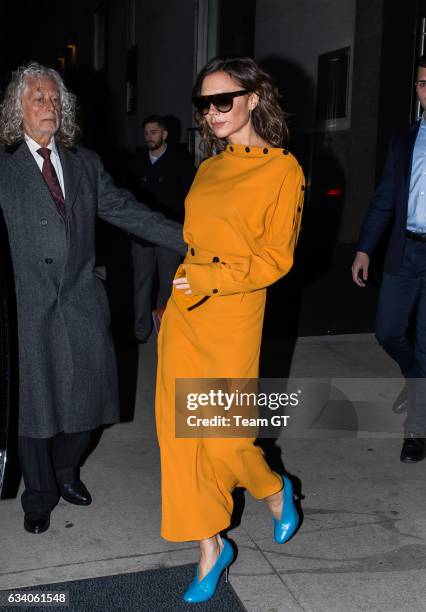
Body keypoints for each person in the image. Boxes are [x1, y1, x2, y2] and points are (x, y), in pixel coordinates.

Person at [0, 62, 186, 534]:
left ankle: (67, 470)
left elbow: (126, 210)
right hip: (25, 307)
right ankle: (38, 495)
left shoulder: (84, 162)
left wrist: (189, 238)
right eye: (39, 98)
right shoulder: (4, 168)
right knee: (33, 410)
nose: (50, 106)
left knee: (90, 398)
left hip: (81, 297)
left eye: (55, 99)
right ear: (17, 108)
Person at [155, 56, 305, 603]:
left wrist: (212, 276)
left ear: (253, 99)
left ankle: (272, 489)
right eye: (204, 103)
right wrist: (177, 287)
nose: (212, 112)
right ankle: (209, 547)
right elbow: (193, 241)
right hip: (186, 308)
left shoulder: (283, 169)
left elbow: (277, 260)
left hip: (235, 310)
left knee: (222, 436)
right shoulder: (209, 165)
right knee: (179, 438)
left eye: (224, 100)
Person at [352, 55, 426, 463]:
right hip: (405, 247)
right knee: (387, 331)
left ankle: (416, 428)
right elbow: (383, 199)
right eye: (421, 83)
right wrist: (364, 247)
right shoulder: (404, 139)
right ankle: (416, 376)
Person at [128, 115, 195, 342]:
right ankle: (140, 330)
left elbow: (190, 195)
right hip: (142, 233)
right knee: (141, 283)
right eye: (146, 133)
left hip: (169, 232)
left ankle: (167, 330)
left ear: (164, 134)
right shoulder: (136, 160)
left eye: (154, 132)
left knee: (168, 284)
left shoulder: (180, 161)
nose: (149, 137)